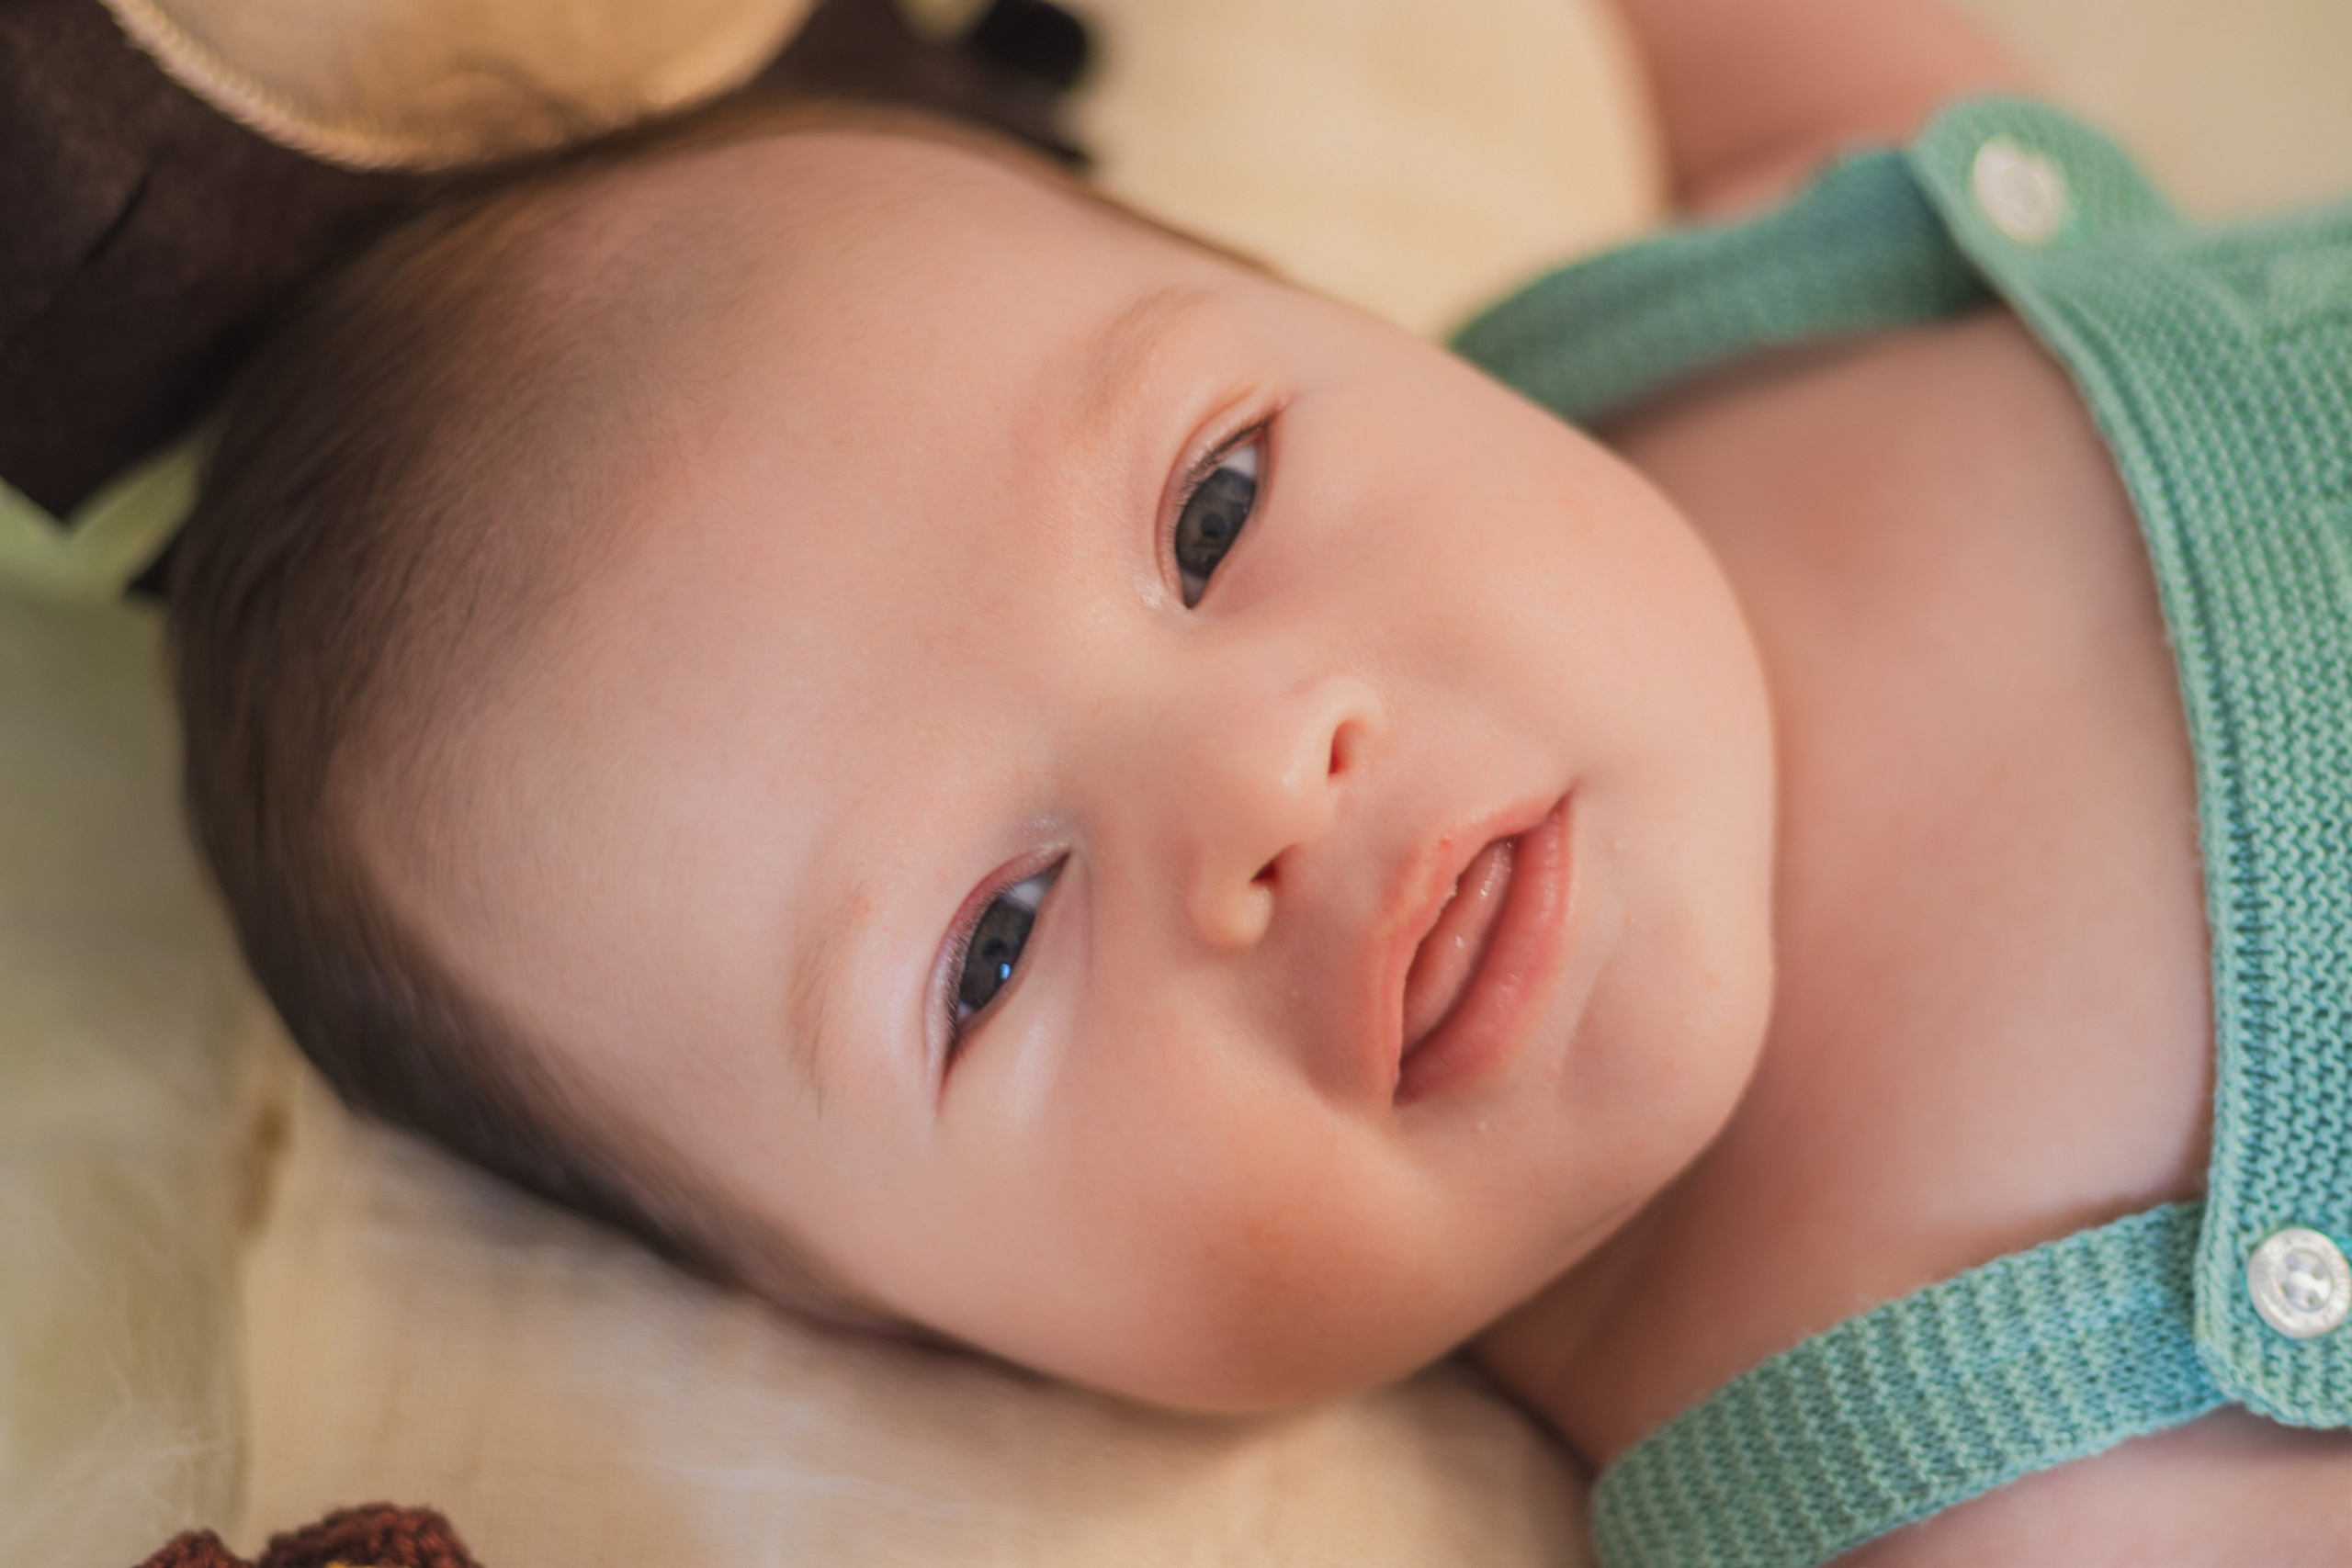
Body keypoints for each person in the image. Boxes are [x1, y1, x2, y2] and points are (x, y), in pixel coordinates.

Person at [164, 0, 2352, 1561]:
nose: (1258, 793)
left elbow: (1835, 75)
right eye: (995, 945)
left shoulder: (1720, 338)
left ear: (1341, 321)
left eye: (1213, 510)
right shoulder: (1999, 1481)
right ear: (911, 1329)